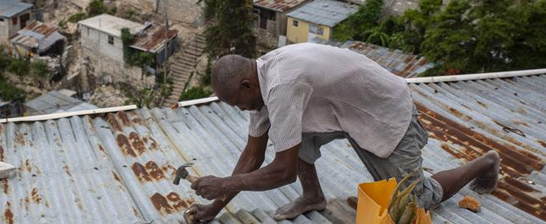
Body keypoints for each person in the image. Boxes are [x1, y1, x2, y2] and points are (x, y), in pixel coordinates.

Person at [185, 43, 500, 223]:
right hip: (343, 112)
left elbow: (283, 172)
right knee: (290, 137)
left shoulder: (281, 85)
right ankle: (313, 196)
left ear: (246, 85)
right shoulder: (260, 85)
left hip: (382, 110)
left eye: (237, 103)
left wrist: (224, 183)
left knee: (418, 199)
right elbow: (252, 157)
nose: (240, 109)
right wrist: (213, 210)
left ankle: (484, 162)